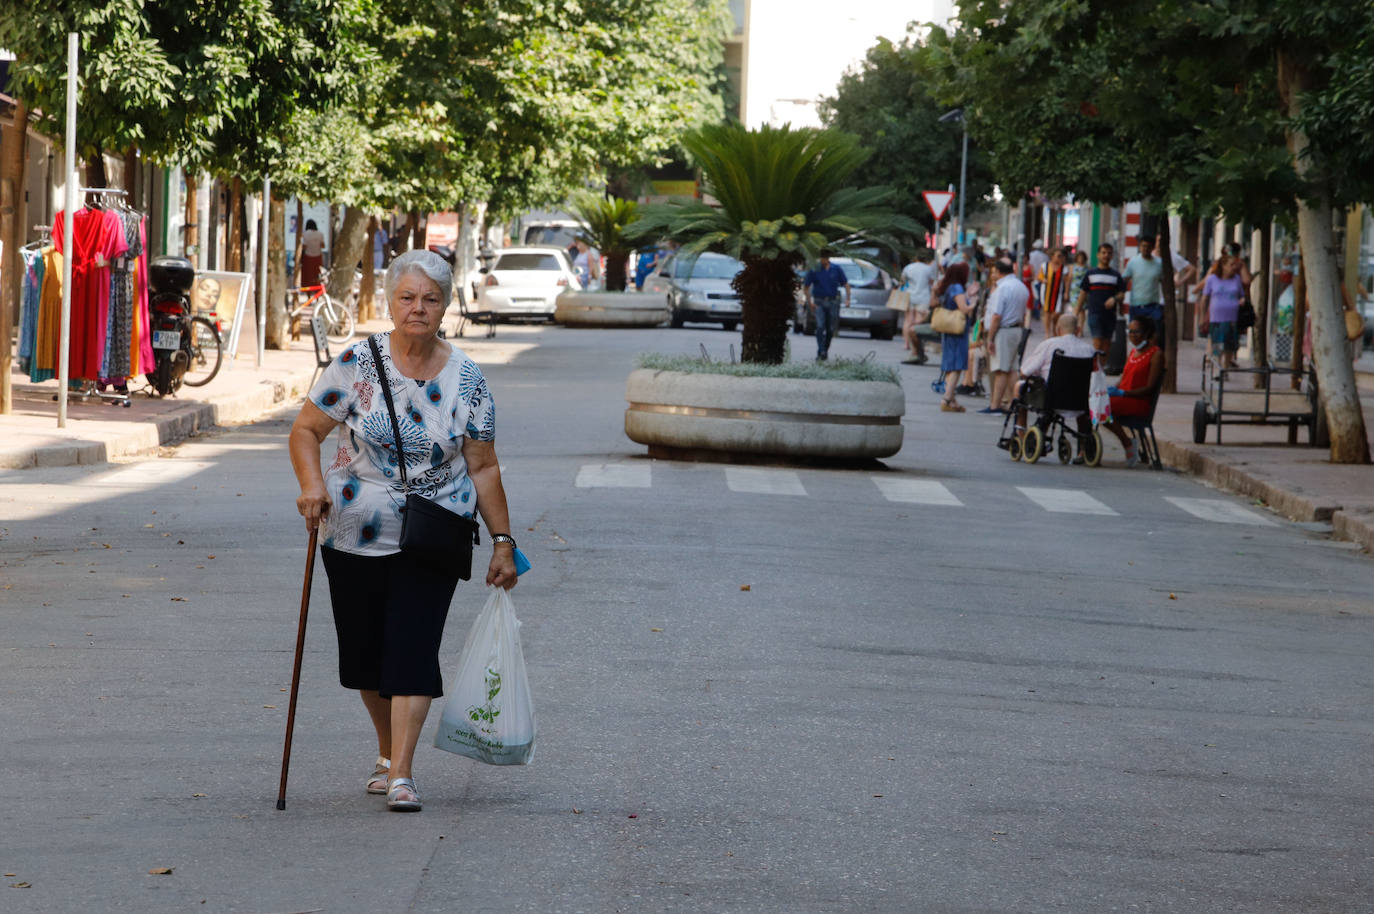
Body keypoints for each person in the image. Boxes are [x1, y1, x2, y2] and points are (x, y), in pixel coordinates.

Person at [288, 249, 517, 814]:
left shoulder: (467, 377)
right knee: (366, 658)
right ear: (389, 302)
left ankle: (403, 775)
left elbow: (483, 465)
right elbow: (306, 430)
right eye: (407, 297)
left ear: (444, 306)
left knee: (413, 650)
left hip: (434, 531)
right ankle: (388, 752)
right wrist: (311, 486)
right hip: (351, 533)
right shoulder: (355, 363)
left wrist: (503, 541)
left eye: (430, 299)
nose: (418, 308)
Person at [1014, 311, 1098, 460]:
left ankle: (1021, 433)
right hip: (1080, 400)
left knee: (1020, 386)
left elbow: (1024, 372)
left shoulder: (1050, 345)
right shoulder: (1089, 350)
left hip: (1051, 398)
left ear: (1058, 329)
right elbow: (1098, 376)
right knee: (1082, 393)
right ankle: (1083, 449)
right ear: (1078, 330)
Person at [1102, 316, 1165, 467]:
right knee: (1096, 402)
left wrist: (1124, 393)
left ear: (1146, 333)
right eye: (1129, 332)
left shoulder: (1156, 354)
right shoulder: (1132, 353)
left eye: (1136, 332)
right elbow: (1124, 379)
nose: (1132, 335)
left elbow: (1149, 387)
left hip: (1138, 401)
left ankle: (1127, 443)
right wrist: (1113, 390)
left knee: (1102, 407)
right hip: (1123, 398)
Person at [982, 259, 1030, 413]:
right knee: (1012, 369)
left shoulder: (1002, 288)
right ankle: (1014, 402)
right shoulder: (1021, 287)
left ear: (999, 271)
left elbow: (997, 315)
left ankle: (995, 405)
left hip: (1003, 331)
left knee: (1001, 369)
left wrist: (990, 338)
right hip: (1016, 330)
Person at [933, 261, 975, 411]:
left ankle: (952, 400)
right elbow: (964, 308)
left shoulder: (948, 287)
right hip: (957, 331)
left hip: (948, 331)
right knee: (957, 366)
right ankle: (946, 399)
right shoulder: (957, 287)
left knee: (951, 365)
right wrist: (974, 302)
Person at [1073, 242, 1126, 356]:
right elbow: (1083, 293)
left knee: (1106, 345)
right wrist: (1076, 312)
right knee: (1097, 343)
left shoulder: (1116, 275)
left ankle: (1100, 370)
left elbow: (1122, 294)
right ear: (1098, 255)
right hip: (1094, 313)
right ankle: (1095, 370)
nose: (1106, 255)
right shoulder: (1090, 273)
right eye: (1103, 253)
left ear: (1112, 256)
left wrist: (1114, 299)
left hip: (1110, 315)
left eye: (1109, 253)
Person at [803, 248, 851, 361]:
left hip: (833, 302)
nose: (823, 260)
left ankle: (825, 349)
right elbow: (806, 287)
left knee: (830, 329)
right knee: (820, 326)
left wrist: (848, 299)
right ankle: (821, 351)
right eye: (821, 257)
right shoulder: (815, 269)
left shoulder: (836, 269)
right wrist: (810, 302)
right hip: (819, 302)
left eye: (825, 257)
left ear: (828, 258)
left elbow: (846, 284)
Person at [1200, 254, 1245, 368]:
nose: (1234, 267)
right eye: (1231, 265)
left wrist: (1242, 301)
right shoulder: (1212, 279)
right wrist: (1202, 317)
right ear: (1223, 266)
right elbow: (1204, 298)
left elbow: (1242, 295)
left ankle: (1225, 368)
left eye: (1235, 264)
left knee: (1229, 346)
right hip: (1217, 318)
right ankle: (1217, 368)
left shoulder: (1236, 279)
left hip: (1232, 318)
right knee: (1217, 345)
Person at [1122, 235, 1165, 343]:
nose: (1145, 249)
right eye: (1143, 246)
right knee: (1136, 337)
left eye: (1148, 246)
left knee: (1155, 336)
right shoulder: (1133, 262)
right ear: (1140, 247)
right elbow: (1125, 280)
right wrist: (1121, 299)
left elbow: (1164, 283)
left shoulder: (1159, 263)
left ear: (1153, 247)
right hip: (1136, 305)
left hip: (1153, 306)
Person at [900, 248, 938, 365]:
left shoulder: (909, 267)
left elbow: (902, 281)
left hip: (910, 296)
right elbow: (932, 283)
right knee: (918, 322)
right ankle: (916, 347)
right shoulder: (928, 269)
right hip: (923, 297)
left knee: (907, 320)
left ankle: (907, 343)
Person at [1037, 247, 1073, 337]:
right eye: (1058, 256)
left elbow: (1067, 281)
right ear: (1052, 256)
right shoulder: (1044, 266)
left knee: (1057, 313)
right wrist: (1043, 280)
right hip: (1046, 292)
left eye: (1061, 256)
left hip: (1058, 293)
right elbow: (1039, 277)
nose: (1060, 258)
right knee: (1047, 312)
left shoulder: (1064, 268)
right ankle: (1047, 332)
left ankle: (1054, 329)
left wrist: (1066, 293)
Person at [300, 219, 326, 287]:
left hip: (308, 257)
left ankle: (308, 293)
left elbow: (304, 247)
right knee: (317, 275)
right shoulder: (320, 234)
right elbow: (323, 246)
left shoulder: (305, 234)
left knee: (308, 275)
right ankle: (317, 292)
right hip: (318, 256)